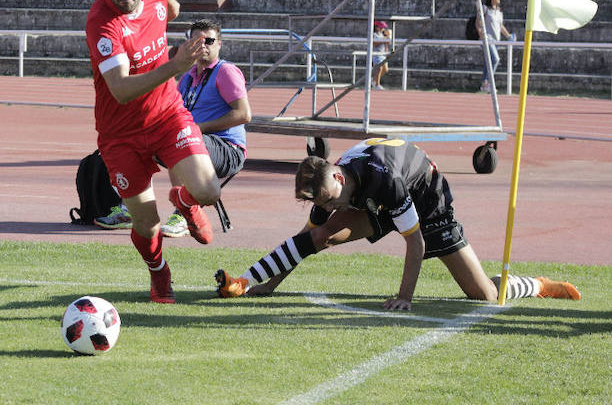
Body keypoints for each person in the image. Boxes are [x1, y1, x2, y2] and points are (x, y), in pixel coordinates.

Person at [215, 138, 581, 309]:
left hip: (425, 194)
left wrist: (405, 298)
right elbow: (305, 239)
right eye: (322, 203)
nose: (329, 207)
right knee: (321, 234)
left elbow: (415, 243)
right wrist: (259, 284)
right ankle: (247, 281)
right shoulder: (328, 189)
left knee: (483, 295)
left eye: (328, 200)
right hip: (376, 195)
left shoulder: (384, 180)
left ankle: (536, 285)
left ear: (338, 181)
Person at [85, 0, 220, 304]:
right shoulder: (103, 25)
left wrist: (172, 59)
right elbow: (121, 90)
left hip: (166, 115)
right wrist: (174, 66)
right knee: (147, 223)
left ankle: (185, 200)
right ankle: (159, 275)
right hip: (121, 135)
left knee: (209, 190)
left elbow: (171, 8)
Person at [95, 19, 252, 238]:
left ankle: (182, 213)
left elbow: (243, 114)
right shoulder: (187, 76)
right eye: (197, 40)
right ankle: (131, 208)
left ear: (220, 44)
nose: (203, 45)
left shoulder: (226, 72)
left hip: (227, 148)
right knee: (142, 141)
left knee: (180, 137)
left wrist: (198, 128)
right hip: (196, 139)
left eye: (209, 41)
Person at [476, 0, 514, 93]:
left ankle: (484, 85)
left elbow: (500, 26)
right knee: (495, 59)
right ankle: (488, 83)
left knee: (488, 62)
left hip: (496, 40)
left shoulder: (499, 11)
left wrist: (508, 36)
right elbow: (478, 24)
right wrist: (482, 36)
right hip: (487, 39)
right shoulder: (485, 9)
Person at [372, 20, 390, 90]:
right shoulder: (374, 35)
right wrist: (384, 39)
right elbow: (375, 44)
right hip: (376, 54)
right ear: (377, 27)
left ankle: (374, 79)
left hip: (383, 54)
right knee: (379, 69)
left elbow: (386, 44)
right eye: (381, 27)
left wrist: (387, 37)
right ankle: (377, 84)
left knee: (385, 70)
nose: (383, 29)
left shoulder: (382, 35)